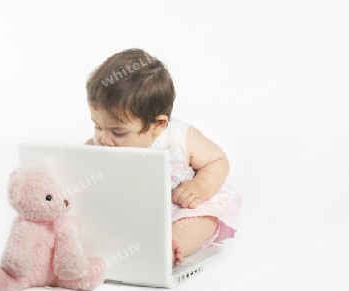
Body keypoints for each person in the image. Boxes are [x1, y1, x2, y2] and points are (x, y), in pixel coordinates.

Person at [84, 48, 241, 265]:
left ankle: (167, 248)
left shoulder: (178, 138)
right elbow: (79, 163)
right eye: (97, 126)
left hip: (179, 209)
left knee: (202, 220)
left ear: (158, 125)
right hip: (134, 213)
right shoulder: (101, 141)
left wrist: (200, 187)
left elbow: (217, 160)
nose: (102, 138)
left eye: (117, 132)